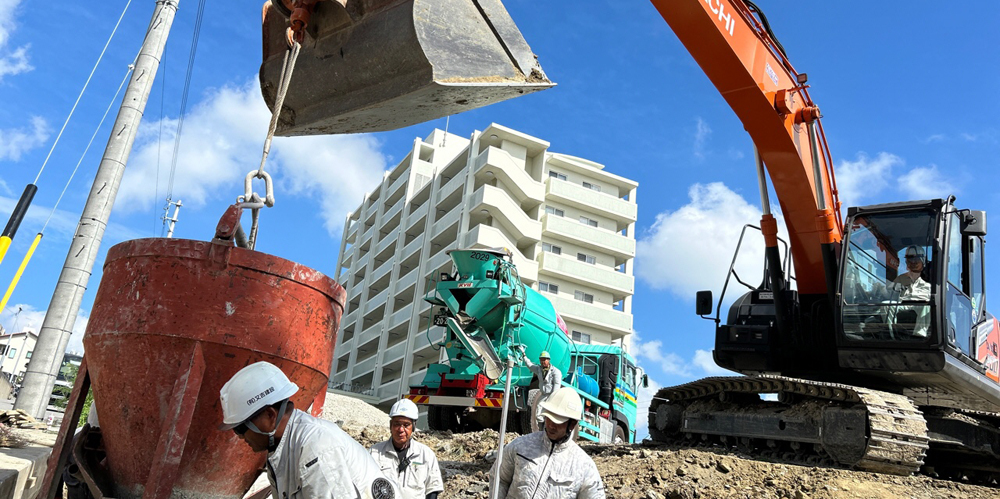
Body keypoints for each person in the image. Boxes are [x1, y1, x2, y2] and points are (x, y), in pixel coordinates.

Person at [219, 361, 400, 499]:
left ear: (269, 415)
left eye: (241, 428)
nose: (241, 437)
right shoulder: (283, 448)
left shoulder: (316, 446)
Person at [490, 387, 605, 499]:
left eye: (557, 422)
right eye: (548, 418)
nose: (550, 425)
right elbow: (499, 478)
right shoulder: (520, 446)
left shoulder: (583, 466)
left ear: (572, 424)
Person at [369, 399, 444, 499]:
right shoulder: (374, 453)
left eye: (406, 425)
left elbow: (432, 489)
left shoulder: (426, 455)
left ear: (413, 427)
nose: (401, 430)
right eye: (397, 424)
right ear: (390, 425)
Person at [522, 349, 562, 429]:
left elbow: (557, 385)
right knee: (539, 413)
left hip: (551, 395)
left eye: (544, 360)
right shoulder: (539, 369)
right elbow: (529, 365)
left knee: (550, 414)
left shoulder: (555, 372)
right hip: (543, 394)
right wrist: (524, 355)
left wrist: (552, 398)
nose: (542, 362)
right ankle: (542, 429)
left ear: (548, 360)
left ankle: (548, 429)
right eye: (541, 360)